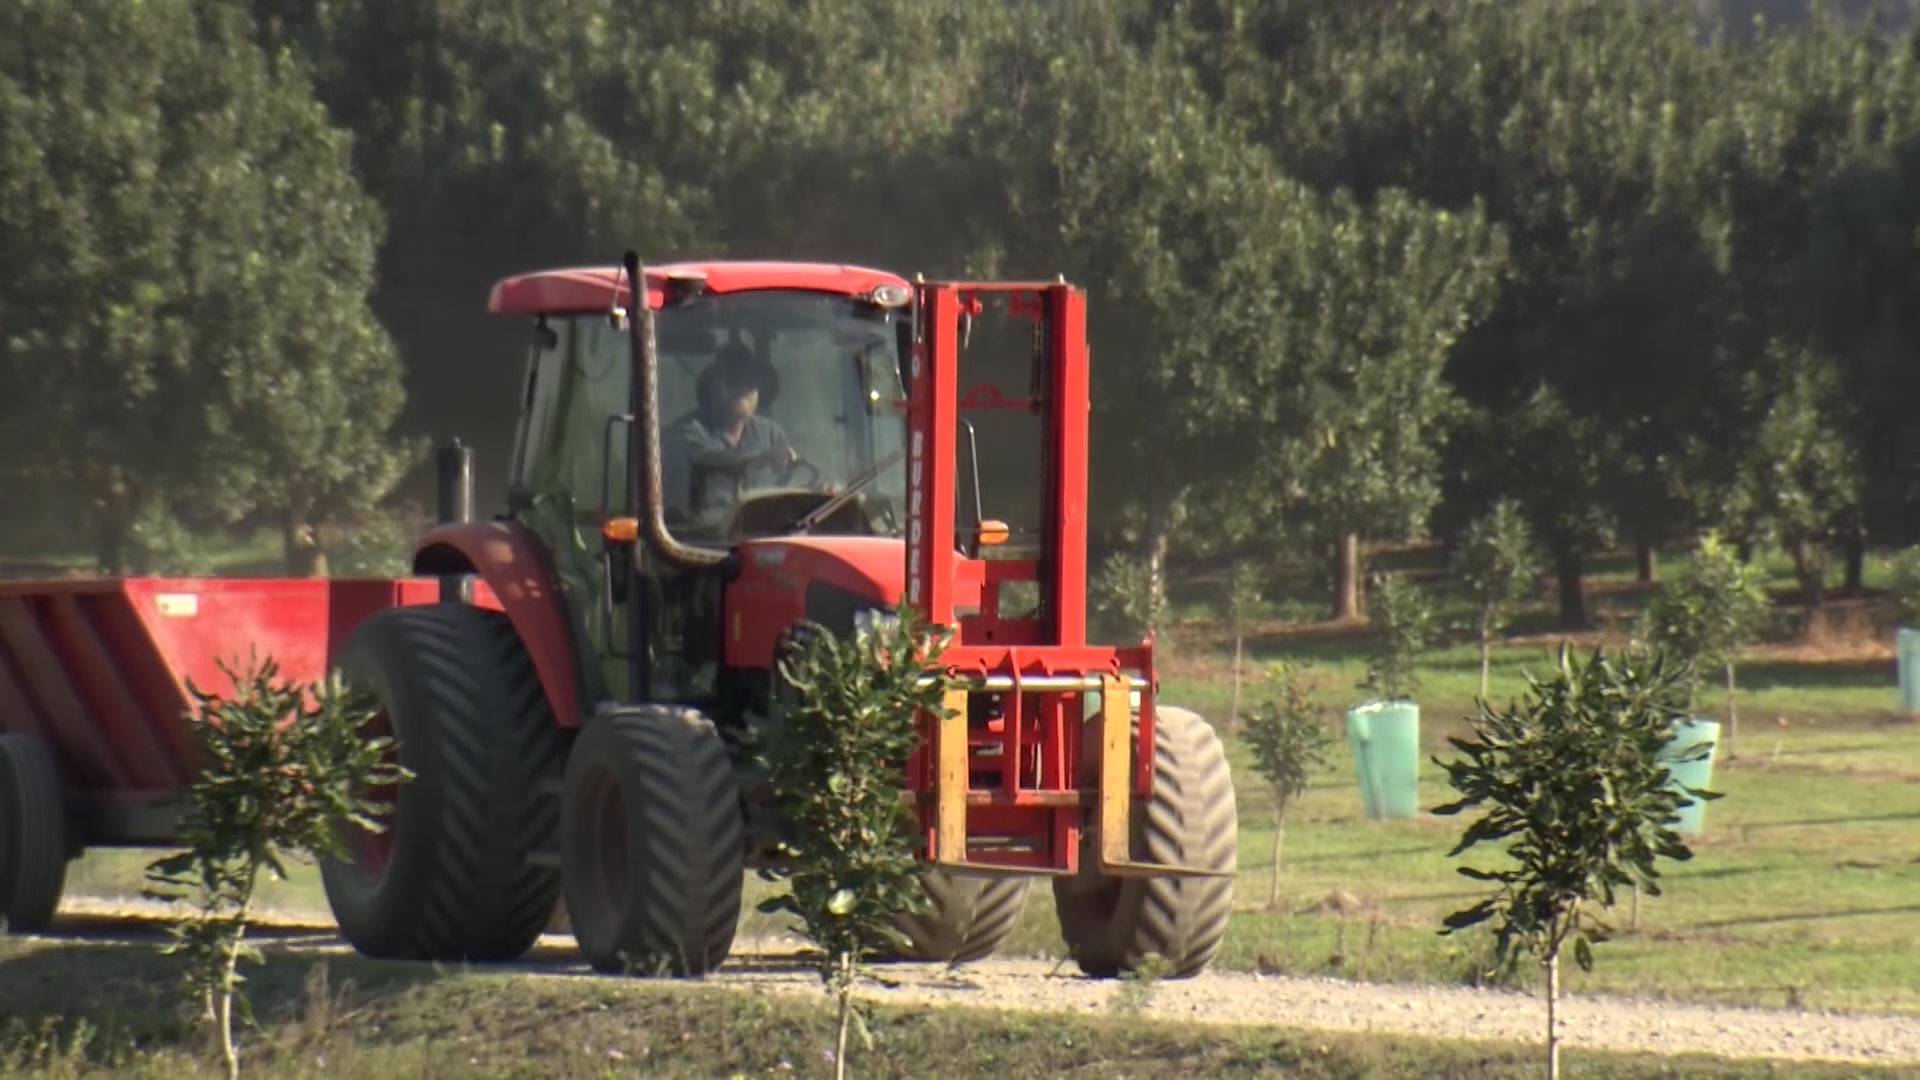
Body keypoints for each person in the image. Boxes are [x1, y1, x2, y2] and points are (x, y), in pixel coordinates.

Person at [666, 340, 797, 520]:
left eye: (750, 381)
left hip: (764, 530)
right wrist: (763, 459)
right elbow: (709, 459)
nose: (742, 388)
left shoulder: (772, 434)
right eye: (733, 379)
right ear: (712, 385)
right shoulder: (688, 431)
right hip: (703, 536)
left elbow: (788, 484)